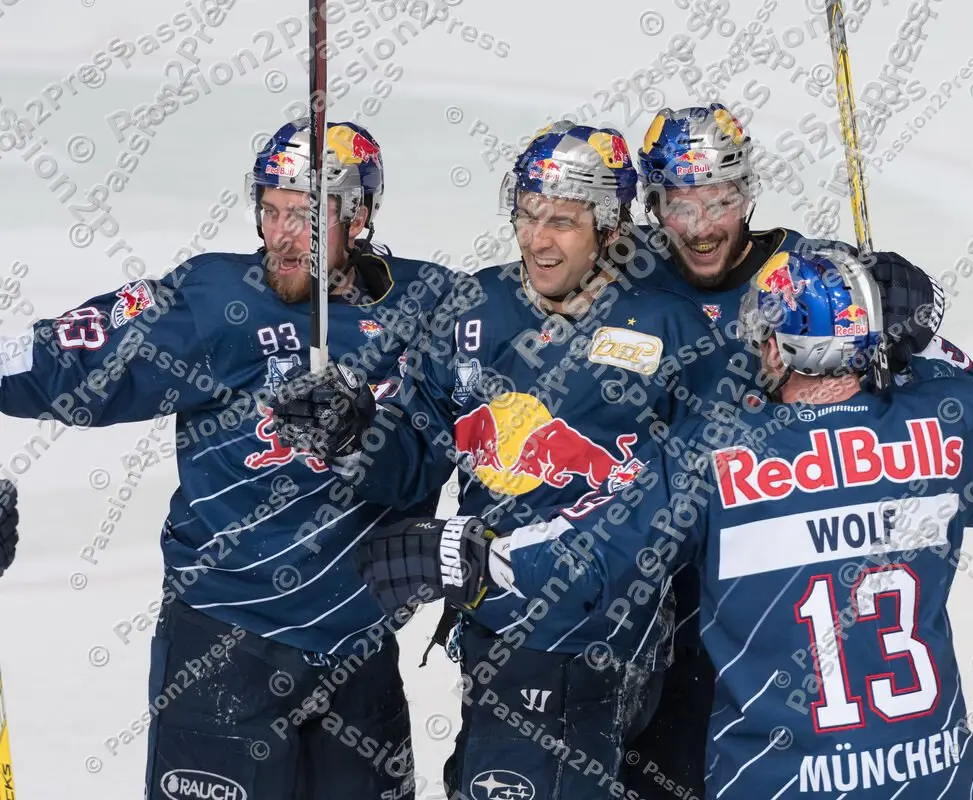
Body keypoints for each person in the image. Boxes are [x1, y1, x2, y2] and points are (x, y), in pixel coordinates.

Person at [369, 247, 973, 799]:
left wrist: (474, 558)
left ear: (782, 346)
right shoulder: (943, 418)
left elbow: (586, 571)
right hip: (930, 779)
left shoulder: (717, 455)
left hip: (777, 780)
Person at [268, 120, 741, 800]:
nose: (536, 241)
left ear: (611, 228)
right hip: (497, 639)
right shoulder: (473, 311)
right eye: (525, 215)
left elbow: (721, 488)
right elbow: (413, 455)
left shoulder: (673, 330)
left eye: (562, 223)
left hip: (611, 647)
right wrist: (354, 433)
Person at [0, 120, 447, 800]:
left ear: (358, 216)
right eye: (270, 209)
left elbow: (477, 430)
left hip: (361, 658)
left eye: (303, 214)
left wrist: (366, 435)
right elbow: (63, 361)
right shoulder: (217, 303)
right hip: (225, 650)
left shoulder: (433, 308)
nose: (281, 235)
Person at [624, 102, 970, 798]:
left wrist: (909, 334)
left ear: (747, 191)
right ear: (652, 205)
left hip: (778, 602)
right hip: (648, 595)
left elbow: (954, 389)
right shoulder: (621, 282)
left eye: (719, 200)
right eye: (678, 205)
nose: (700, 227)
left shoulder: (819, 279)